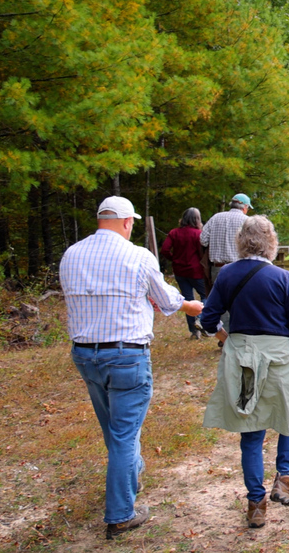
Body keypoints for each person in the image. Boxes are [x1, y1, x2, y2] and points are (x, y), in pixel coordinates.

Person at [60, 197, 204, 539]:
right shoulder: (138, 256)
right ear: (127, 222)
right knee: (124, 434)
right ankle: (121, 513)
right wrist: (191, 306)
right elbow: (168, 300)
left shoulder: (71, 255)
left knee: (113, 427)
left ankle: (129, 474)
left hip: (84, 354)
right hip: (126, 355)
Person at [198, 216, 289, 530]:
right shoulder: (282, 278)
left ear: (242, 241)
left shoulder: (226, 275)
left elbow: (208, 321)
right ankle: (285, 479)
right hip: (279, 358)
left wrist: (230, 342)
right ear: (270, 243)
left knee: (251, 430)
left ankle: (256, 505)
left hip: (243, 360)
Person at [200, 193, 251, 331]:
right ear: (244, 207)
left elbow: (203, 239)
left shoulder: (216, 218)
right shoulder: (247, 221)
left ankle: (224, 337)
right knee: (240, 302)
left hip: (218, 268)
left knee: (221, 303)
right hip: (240, 268)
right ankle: (236, 334)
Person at [160, 207, 208, 339]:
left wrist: (173, 259)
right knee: (207, 295)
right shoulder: (198, 234)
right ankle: (200, 318)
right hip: (196, 271)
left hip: (180, 271)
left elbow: (164, 250)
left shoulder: (174, 233)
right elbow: (202, 253)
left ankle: (194, 332)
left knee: (188, 300)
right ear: (197, 220)